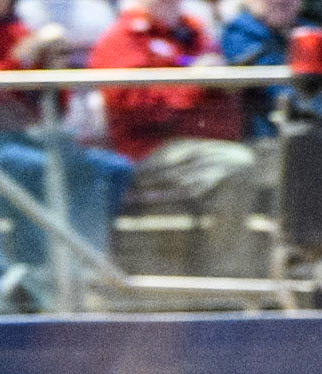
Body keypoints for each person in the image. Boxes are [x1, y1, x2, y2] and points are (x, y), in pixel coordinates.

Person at [0, 0, 133, 261]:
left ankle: (85, 263)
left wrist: (53, 66)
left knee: (113, 169)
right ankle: (39, 270)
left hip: (24, 135)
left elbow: (51, 107)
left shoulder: (9, 17)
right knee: (42, 168)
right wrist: (26, 55)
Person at [89, 0, 259, 276]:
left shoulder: (193, 31)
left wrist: (223, 82)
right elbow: (134, 107)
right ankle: (227, 275)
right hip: (151, 150)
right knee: (235, 165)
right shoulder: (123, 37)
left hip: (210, 144)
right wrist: (192, 83)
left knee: (280, 156)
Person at [222, 0, 305, 136]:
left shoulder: (309, 31)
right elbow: (277, 88)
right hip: (265, 136)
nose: (281, 1)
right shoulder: (240, 30)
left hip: (305, 128)